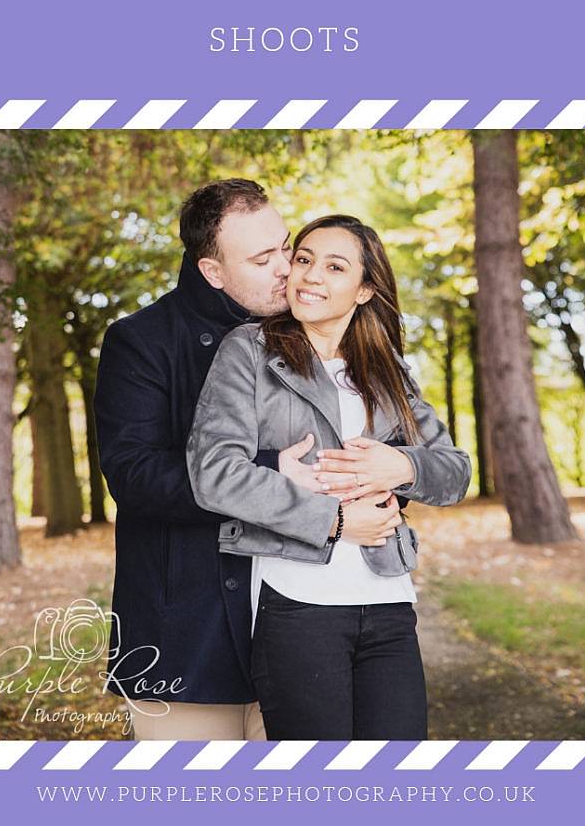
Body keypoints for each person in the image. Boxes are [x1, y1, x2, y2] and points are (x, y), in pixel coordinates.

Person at [94, 183, 403, 740]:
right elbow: (133, 475)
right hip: (186, 628)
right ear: (212, 271)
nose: (290, 270)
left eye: (287, 247)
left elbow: (368, 436)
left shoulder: (312, 334)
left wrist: (382, 482)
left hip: (299, 618)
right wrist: (267, 470)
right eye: (264, 260)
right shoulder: (140, 341)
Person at [187, 214, 471, 740]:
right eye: (304, 259)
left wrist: (402, 465)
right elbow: (214, 473)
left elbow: (454, 472)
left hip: (388, 599)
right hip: (298, 605)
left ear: (365, 290)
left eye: (335, 267)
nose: (311, 275)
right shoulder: (250, 350)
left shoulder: (387, 368)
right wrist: (336, 520)